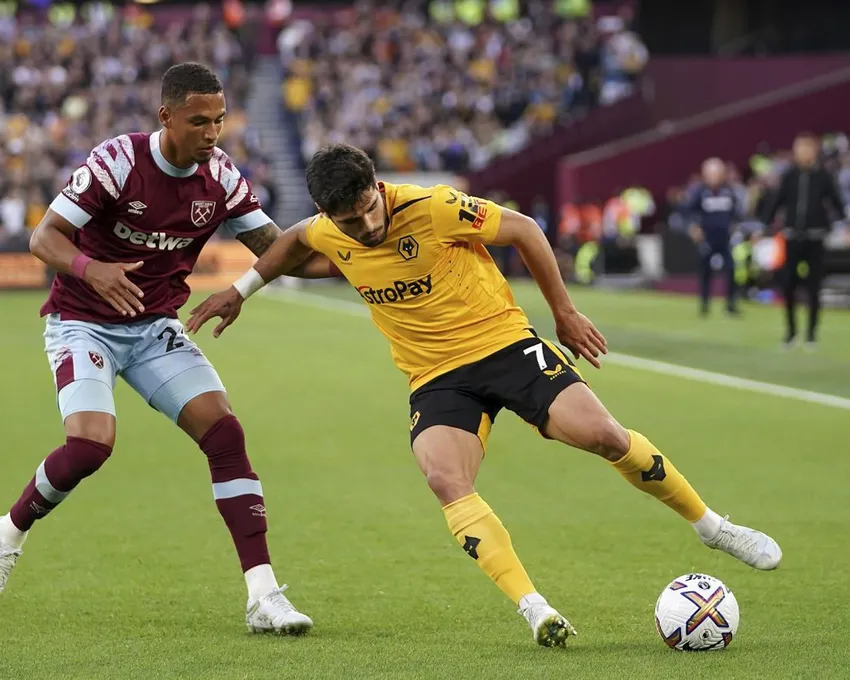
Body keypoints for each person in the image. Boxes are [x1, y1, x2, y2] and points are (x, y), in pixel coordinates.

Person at [187, 144, 783, 647]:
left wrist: (564, 312)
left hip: (502, 345)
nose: (366, 228)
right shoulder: (326, 229)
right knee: (446, 478)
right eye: (348, 222)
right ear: (327, 213)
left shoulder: (435, 205)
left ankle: (711, 526)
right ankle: (534, 608)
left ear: (378, 186)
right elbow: (290, 244)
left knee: (604, 436)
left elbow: (524, 230)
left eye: (369, 209)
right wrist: (242, 290)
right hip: (436, 377)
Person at [0, 62, 318, 636]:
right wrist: (91, 270)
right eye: (199, 121)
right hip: (83, 321)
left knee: (225, 433)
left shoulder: (220, 176)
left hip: (153, 327)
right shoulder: (118, 161)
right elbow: (43, 237)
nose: (213, 133)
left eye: (220, 120)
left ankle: (263, 596)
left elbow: (278, 249)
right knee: (91, 447)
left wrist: (362, 251)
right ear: (166, 116)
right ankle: (8, 533)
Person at [761, 133, 847, 348]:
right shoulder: (789, 175)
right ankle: (791, 332)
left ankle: (811, 334)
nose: (803, 153)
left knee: (814, 285)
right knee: (788, 284)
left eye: (807, 149)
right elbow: (777, 201)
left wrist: (845, 225)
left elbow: (835, 201)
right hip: (792, 236)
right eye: (799, 149)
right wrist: (763, 226)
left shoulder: (823, 176)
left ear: (814, 151)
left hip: (816, 236)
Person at [685, 157, 740, 317]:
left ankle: (730, 305)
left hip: (725, 238)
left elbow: (736, 214)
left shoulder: (729, 191)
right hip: (707, 239)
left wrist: (736, 228)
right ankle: (704, 305)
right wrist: (694, 228)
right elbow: (689, 212)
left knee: (731, 270)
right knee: (705, 272)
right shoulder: (700, 192)